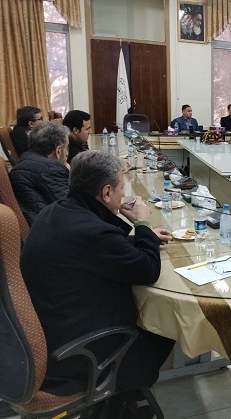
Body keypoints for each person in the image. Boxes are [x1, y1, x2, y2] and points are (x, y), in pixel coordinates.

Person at [21, 150, 174, 400]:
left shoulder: (55, 211)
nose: (123, 195)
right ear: (106, 192)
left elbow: (98, 248)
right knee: (166, 320)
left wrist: (144, 238)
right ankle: (128, 393)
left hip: (53, 333)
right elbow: (148, 270)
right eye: (121, 189)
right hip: (84, 355)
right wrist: (142, 224)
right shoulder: (94, 234)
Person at [9, 121, 70, 226]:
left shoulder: (26, 160)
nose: (68, 153)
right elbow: (71, 207)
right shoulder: (50, 168)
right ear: (58, 151)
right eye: (67, 148)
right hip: (50, 227)